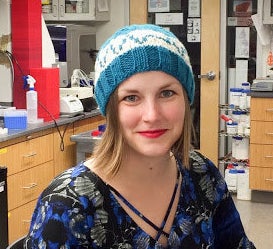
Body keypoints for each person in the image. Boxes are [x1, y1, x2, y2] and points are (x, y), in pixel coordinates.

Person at [25, 24, 255, 249]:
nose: (152, 115)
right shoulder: (67, 205)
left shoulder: (202, 175)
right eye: (132, 98)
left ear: (186, 100)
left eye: (167, 93)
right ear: (111, 109)